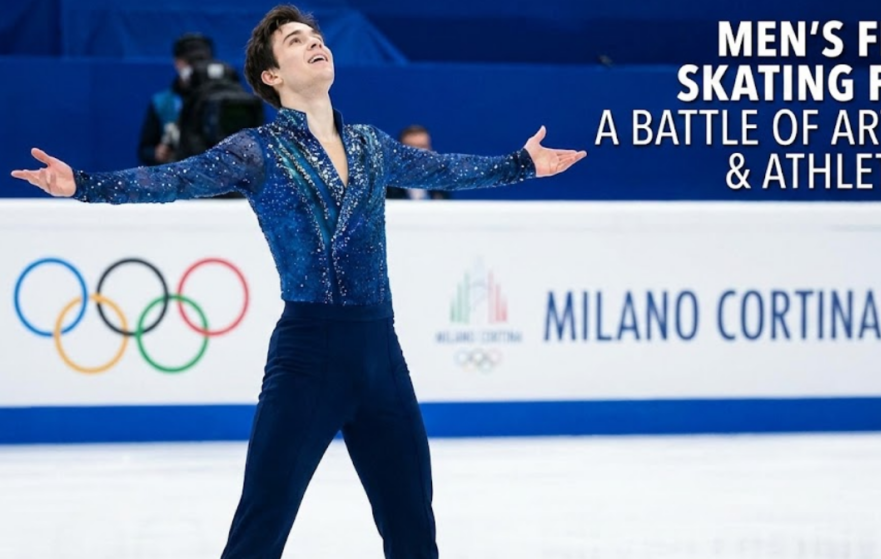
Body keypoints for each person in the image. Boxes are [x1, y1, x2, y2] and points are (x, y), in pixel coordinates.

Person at [10, 4, 586, 558]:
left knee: (414, 532)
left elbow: (446, 169)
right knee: (260, 528)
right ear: (271, 75)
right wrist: (82, 184)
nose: (314, 42)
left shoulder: (369, 144)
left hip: (381, 354)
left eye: (315, 36)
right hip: (309, 356)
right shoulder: (257, 151)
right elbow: (173, 179)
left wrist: (521, 164)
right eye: (295, 41)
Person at [137, 33, 215, 166]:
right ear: (178, 63)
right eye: (190, 62)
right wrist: (156, 153)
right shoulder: (162, 102)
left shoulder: (225, 99)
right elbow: (145, 150)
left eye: (201, 61)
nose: (195, 67)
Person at [385, 125, 450, 200]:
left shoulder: (440, 185)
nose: (418, 153)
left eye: (423, 146)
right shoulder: (386, 188)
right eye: (411, 147)